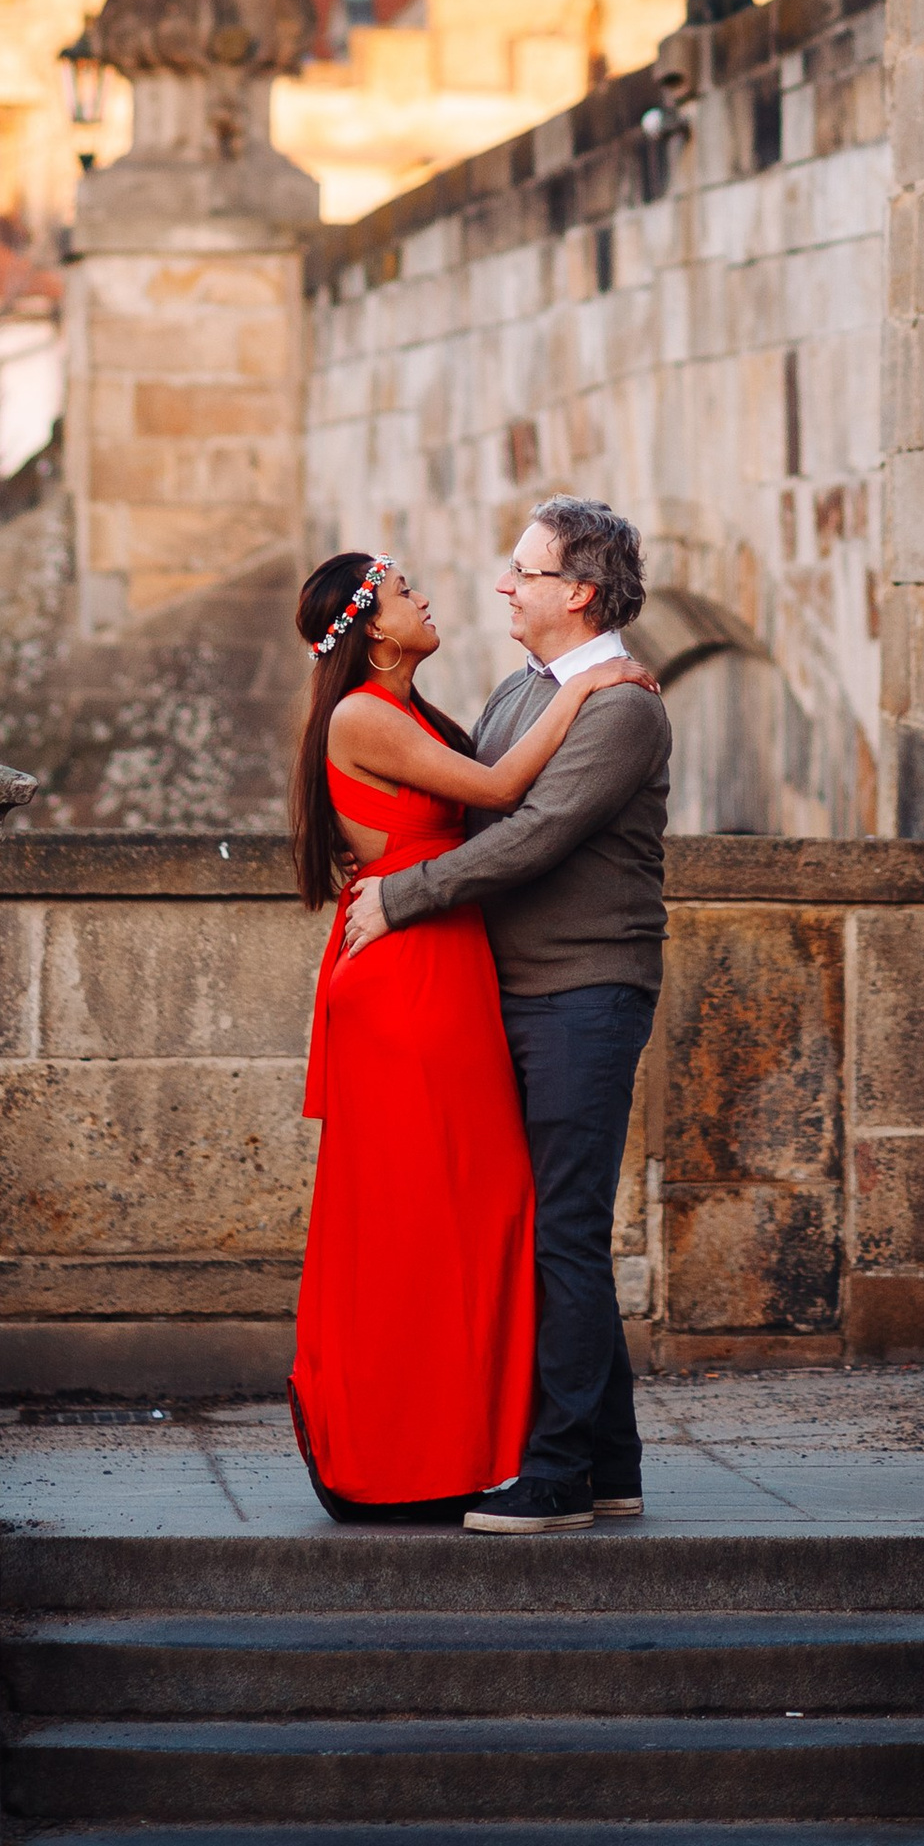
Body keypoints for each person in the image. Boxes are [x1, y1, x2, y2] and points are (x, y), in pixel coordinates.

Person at [286, 547, 658, 1518]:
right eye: (406, 589)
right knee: (436, 1217)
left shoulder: (427, 707)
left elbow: (491, 782)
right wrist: (589, 690)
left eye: (520, 569)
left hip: (449, 967)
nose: (434, 594)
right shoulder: (365, 714)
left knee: (497, 1218)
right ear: (372, 624)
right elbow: (501, 801)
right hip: (409, 973)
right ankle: (415, 1451)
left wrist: (587, 693)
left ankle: (556, 1455)